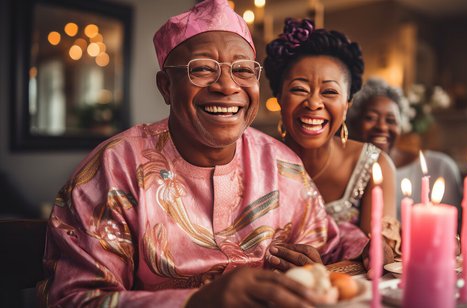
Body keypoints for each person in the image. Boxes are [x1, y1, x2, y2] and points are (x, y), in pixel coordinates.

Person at [39, 1, 369, 307]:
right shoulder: (114, 168)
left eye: (242, 70)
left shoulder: (282, 164)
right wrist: (196, 302)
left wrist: (330, 261)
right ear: (166, 86)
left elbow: (337, 244)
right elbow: (74, 298)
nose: (226, 86)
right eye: (202, 69)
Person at [264, 19, 398, 266]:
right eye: (299, 89)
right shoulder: (256, 162)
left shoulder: (374, 165)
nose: (314, 103)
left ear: (347, 105)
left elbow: (380, 257)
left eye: (329, 92)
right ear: (280, 98)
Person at [347, 78, 463, 220]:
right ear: (355, 122)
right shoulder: (347, 171)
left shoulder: (441, 167)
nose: (382, 127)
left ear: (402, 126)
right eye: (371, 118)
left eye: (390, 120)